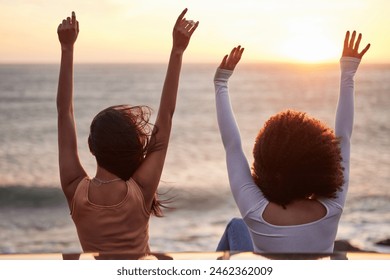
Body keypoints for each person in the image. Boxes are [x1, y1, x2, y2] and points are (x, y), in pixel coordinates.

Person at [56, 10, 198, 254]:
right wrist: (177, 51)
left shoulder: (75, 189)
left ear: (92, 148)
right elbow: (166, 115)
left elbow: (64, 113)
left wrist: (67, 48)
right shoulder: (140, 191)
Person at [214, 31, 370, 253]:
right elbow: (344, 137)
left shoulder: (254, 211)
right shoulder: (333, 207)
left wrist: (221, 82)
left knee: (236, 226)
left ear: (266, 162)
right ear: (321, 164)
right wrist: (348, 72)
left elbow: (232, 146)